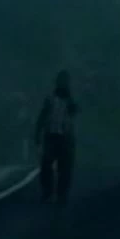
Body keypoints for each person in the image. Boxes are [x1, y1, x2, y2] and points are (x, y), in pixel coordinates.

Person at [35, 69, 79, 205]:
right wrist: (37, 132)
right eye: (61, 81)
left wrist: (70, 98)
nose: (63, 84)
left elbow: (75, 111)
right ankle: (47, 191)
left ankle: (62, 194)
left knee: (65, 168)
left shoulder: (71, 98)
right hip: (51, 136)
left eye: (65, 81)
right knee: (46, 165)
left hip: (66, 137)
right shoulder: (50, 98)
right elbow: (43, 115)